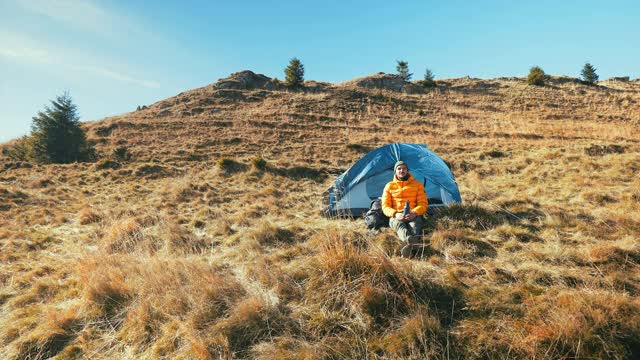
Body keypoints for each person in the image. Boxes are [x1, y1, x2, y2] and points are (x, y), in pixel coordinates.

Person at [381, 160, 428, 257]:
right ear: (395, 171)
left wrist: (414, 213)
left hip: (413, 214)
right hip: (397, 215)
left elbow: (423, 204)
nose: (401, 171)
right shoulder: (389, 186)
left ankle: (408, 249)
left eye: (404, 169)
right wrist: (395, 214)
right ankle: (414, 247)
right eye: (399, 169)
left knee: (414, 226)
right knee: (400, 226)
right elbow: (385, 206)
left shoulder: (417, 184)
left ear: (407, 170)